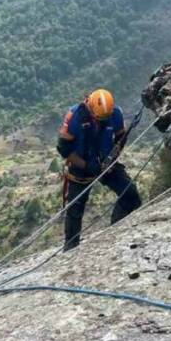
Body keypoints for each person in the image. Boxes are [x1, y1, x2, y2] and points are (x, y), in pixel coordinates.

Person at [56, 89, 141, 251]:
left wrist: (111, 159)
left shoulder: (114, 114)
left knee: (130, 194)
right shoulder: (74, 117)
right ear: (90, 108)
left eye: (104, 118)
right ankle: (71, 247)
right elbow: (64, 149)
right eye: (99, 118)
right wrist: (86, 166)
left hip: (105, 162)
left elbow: (120, 138)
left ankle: (116, 231)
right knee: (75, 209)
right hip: (81, 166)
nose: (102, 121)